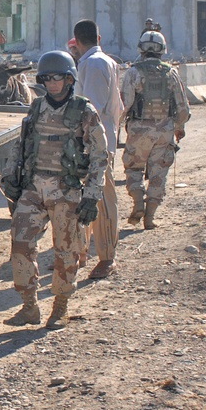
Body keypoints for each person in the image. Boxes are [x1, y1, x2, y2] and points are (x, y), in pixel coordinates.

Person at [0, 51, 109, 330]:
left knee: (66, 250)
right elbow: (20, 144)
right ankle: (29, 307)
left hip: (67, 190)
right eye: (47, 78)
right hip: (34, 188)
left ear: (70, 79)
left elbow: (100, 156)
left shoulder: (84, 111)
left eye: (57, 77)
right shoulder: (36, 108)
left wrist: (92, 195)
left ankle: (60, 306)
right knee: (21, 244)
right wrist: (12, 176)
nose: (52, 83)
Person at [120, 30, 191, 230]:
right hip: (164, 130)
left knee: (133, 168)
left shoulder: (133, 72)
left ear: (141, 49)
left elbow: (124, 105)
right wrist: (178, 127)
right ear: (163, 50)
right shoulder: (171, 72)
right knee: (159, 173)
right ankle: (149, 218)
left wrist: (116, 126)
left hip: (139, 130)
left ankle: (138, 203)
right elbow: (183, 108)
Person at [73, 19, 123, 279]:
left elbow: (89, 109)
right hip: (101, 141)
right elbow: (118, 108)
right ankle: (81, 252)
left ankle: (106, 258)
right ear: (98, 38)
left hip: (95, 145)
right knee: (84, 198)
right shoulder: (106, 62)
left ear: (77, 41)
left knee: (102, 201)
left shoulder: (92, 64)